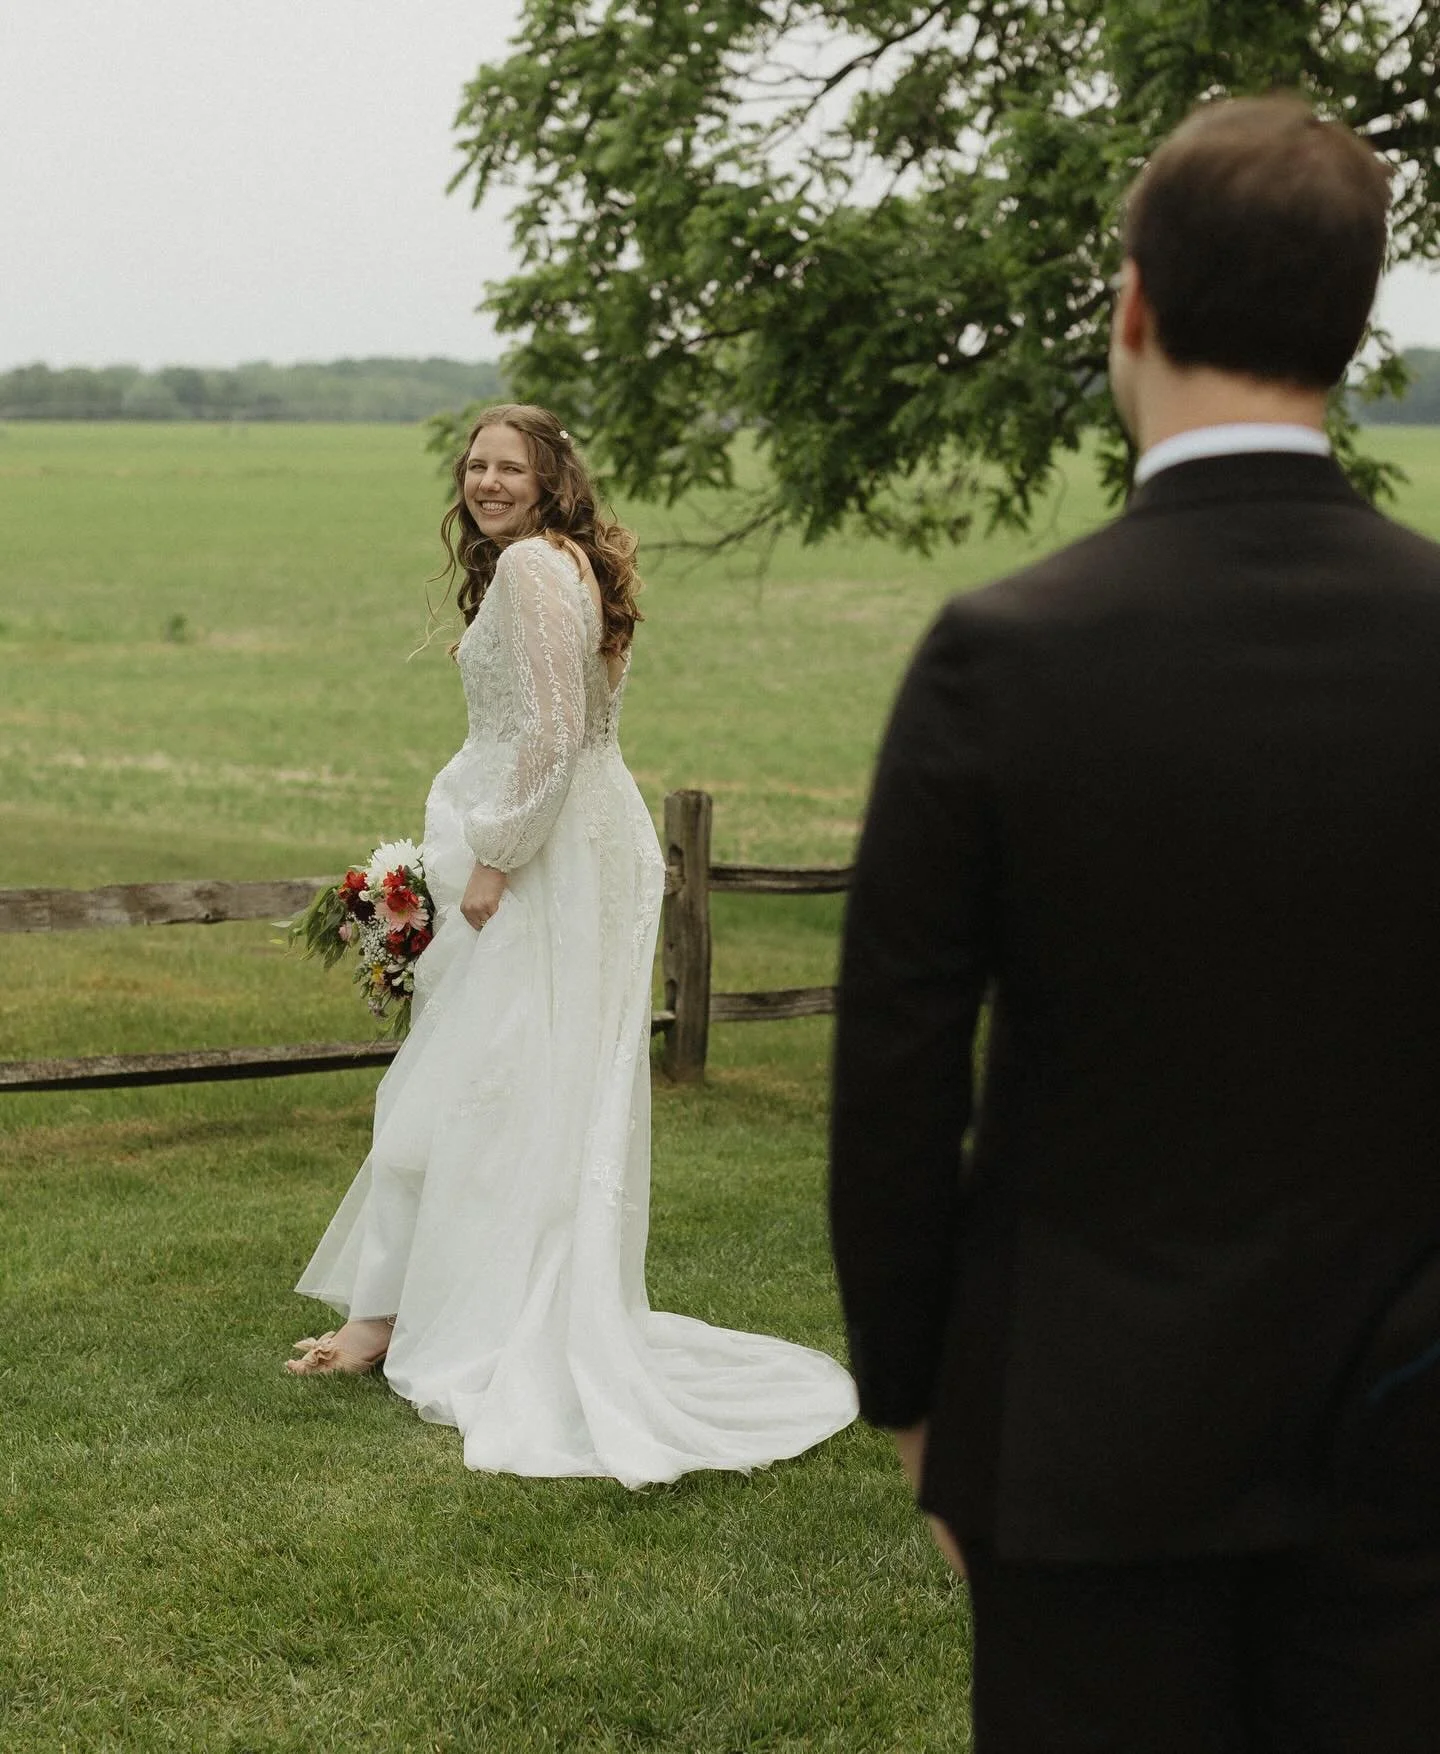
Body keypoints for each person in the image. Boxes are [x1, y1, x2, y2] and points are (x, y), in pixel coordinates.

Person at [830, 95, 1440, 1750]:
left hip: (1084, 1438)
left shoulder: (1004, 651)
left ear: (1134, 307)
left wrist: (912, 1401)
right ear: (1351, 325)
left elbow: (896, 1067)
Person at [288, 404, 857, 1484]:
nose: (487, 481)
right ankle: (416, 1306)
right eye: (475, 465)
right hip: (575, 841)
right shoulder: (557, 563)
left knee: (483, 1077)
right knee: (517, 1079)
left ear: (552, 480)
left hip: (544, 857)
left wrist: (494, 855)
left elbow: (550, 733)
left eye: (510, 466)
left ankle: (421, 1319)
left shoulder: (532, 573)